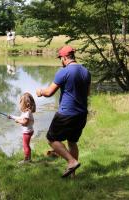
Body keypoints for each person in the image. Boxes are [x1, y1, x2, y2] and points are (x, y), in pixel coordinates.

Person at [36, 45, 91, 178]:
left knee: (51, 138)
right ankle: (73, 175)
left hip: (67, 113)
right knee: (72, 142)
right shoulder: (85, 71)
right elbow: (87, 93)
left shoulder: (63, 71)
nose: (61, 61)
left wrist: (40, 92)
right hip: (82, 113)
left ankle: (71, 161)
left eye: (61, 58)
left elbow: (49, 92)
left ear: (65, 57)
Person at [8, 92, 36, 164]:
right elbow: (21, 118)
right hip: (29, 131)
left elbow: (25, 122)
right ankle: (29, 158)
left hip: (27, 132)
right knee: (27, 145)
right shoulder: (26, 112)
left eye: (21, 102)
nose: (20, 104)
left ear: (24, 103)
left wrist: (18, 121)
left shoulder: (27, 113)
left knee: (25, 146)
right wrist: (12, 117)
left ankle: (26, 160)